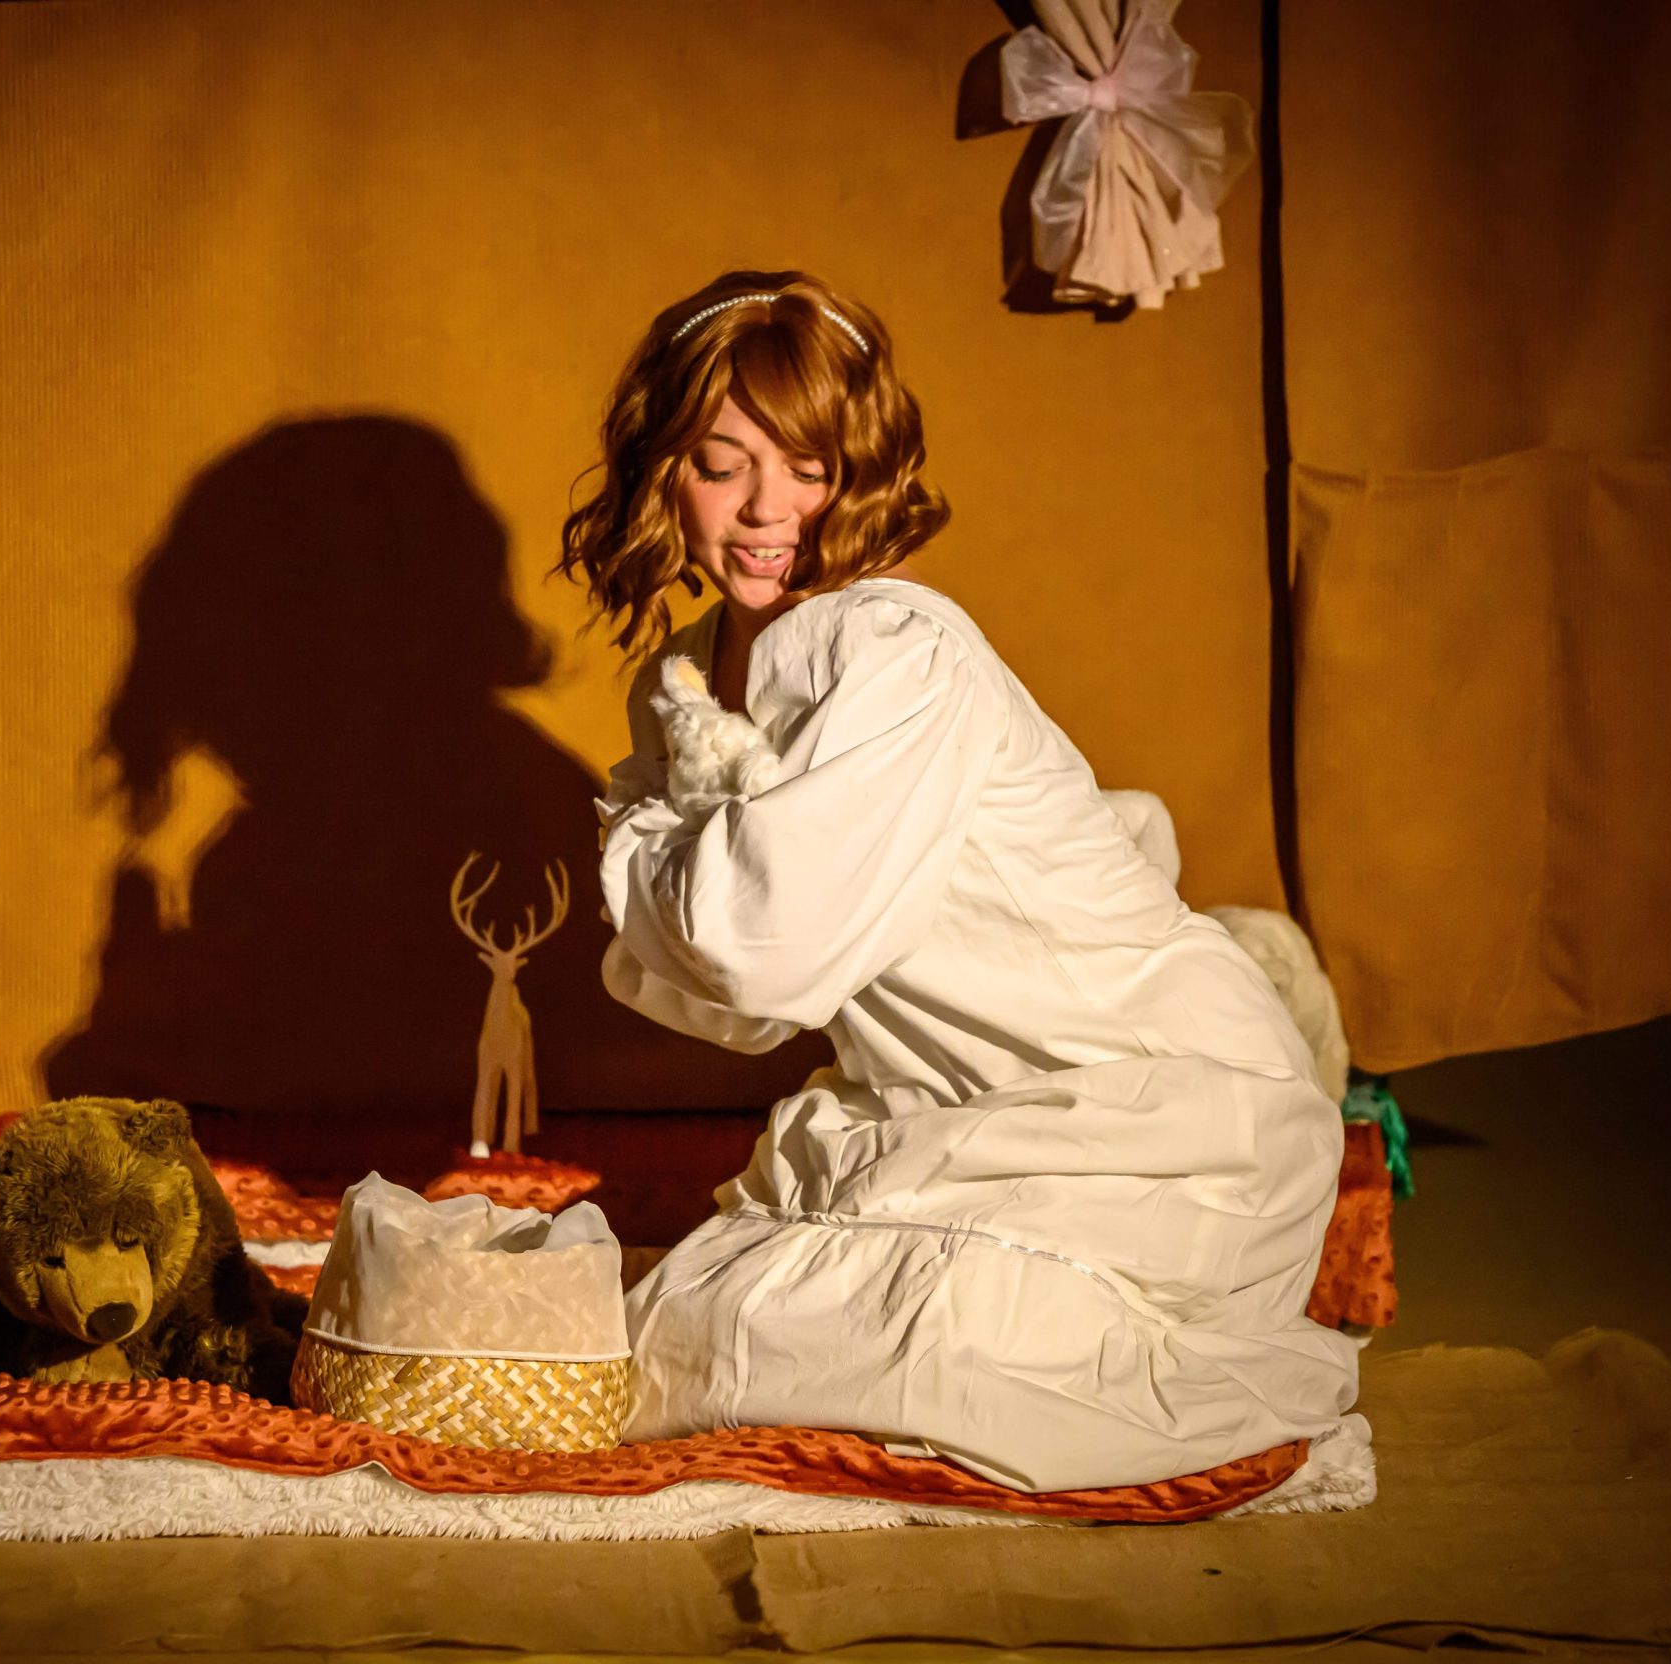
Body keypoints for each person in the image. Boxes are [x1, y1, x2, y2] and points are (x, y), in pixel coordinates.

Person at [553, 270, 1360, 1492]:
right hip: (940, 1108)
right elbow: (733, 1008)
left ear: (861, 470)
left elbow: (759, 959)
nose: (768, 509)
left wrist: (649, 848)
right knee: (678, 1340)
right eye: (723, 465)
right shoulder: (685, 681)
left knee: (840, 1358)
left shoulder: (888, 645)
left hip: (1146, 1114)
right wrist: (686, 862)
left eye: (810, 467)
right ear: (665, 468)